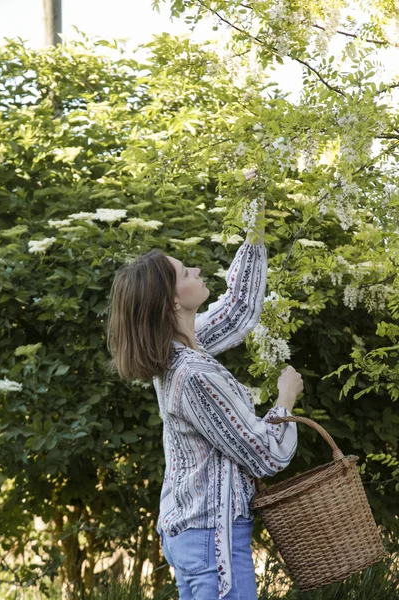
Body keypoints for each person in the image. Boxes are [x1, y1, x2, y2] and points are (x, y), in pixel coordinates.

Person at [106, 233, 303, 600]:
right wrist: (285, 399)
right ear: (173, 301)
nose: (196, 269)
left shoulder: (177, 347)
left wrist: (255, 227)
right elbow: (266, 455)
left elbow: (238, 311)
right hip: (211, 541)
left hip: (195, 535)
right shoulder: (194, 375)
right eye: (185, 272)